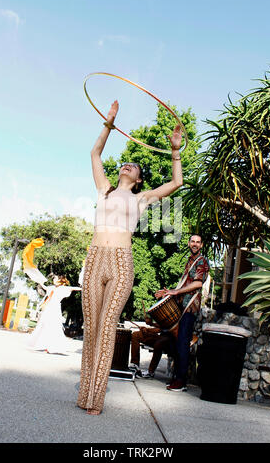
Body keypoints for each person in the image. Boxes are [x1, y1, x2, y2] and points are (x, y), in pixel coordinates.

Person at [76, 100, 184, 415]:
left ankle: (95, 400)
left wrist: (175, 150)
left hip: (122, 262)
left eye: (133, 167)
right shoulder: (104, 190)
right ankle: (84, 394)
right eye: (125, 163)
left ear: (138, 180)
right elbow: (95, 154)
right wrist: (109, 122)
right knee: (92, 326)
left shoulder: (141, 199)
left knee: (108, 324)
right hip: (96, 259)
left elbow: (176, 183)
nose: (127, 165)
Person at [155, 234, 209, 391]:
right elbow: (184, 284)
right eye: (193, 241)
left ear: (201, 245)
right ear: (188, 243)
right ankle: (177, 377)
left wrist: (175, 292)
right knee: (175, 343)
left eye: (198, 242)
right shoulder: (190, 261)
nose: (195, 244)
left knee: (182, 344)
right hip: (181, 307)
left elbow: (198, 283)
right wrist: (167, 293)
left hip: (190, 308)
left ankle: (181, 381)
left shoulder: (202, 262)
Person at [27, 274, 81, 354]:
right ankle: (43, 344)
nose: (54, 280)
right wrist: (39, 281)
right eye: (54, 279)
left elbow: (74, 288)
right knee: (43, 325)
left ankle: (53, 346)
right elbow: (45, 287)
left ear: (60, 280)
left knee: (53, 326)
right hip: (48, 308)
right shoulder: (51, 288)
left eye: (56, 279)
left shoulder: (63, 288)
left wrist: (83, 287)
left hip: (55, 308)